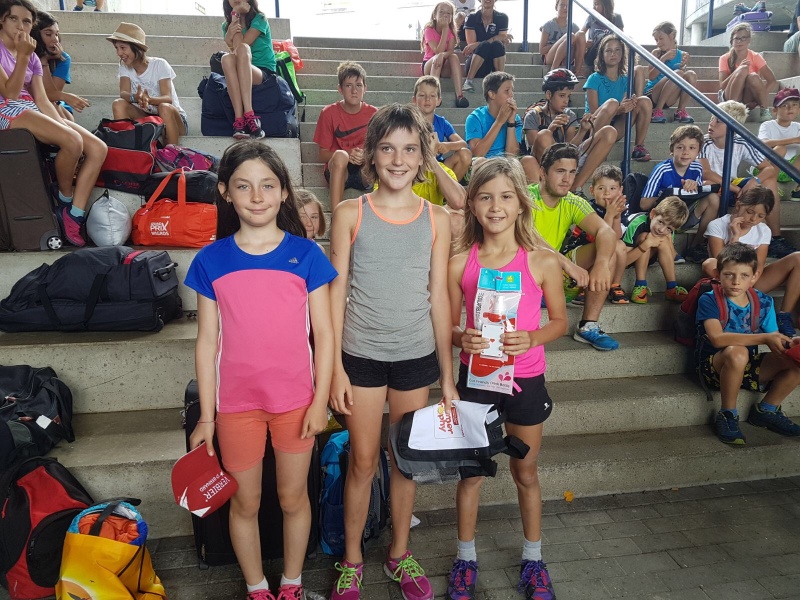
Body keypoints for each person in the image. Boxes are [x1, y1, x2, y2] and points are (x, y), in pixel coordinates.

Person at [186, 141, 336, 600]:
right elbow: (207, 342)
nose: (257, 196)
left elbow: (325, 335)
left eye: (268, 185)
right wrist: (207, 418)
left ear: (284, 192)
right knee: (245, 502)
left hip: (296, 404)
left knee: (293, 498)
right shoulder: (210, 260)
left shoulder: (307, 255)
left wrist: (320, 402)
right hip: (236, 408)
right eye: (244, 186)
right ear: (225, 192)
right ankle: (256, 588)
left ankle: (291, 585)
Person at [328, 104, 457, 600]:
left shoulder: (437, 218)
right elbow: (336, 294)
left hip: (414, 356)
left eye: (408, 149)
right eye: (387, 148)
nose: (398, 160)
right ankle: (352, 560)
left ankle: (399, 554)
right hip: (360, 356)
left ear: (423, 157)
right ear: (370, 155)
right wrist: (334, 368)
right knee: (363, 462)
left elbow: (439, 297)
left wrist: (447, 376)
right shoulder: (350, 213)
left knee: (405, 461)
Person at [446, 158, 567, 600]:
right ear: (472, 205)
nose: (495, 206)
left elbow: (560, 321)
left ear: (521, 203)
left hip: (525, 382)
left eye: (505, 197)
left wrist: (532, 337)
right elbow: (448, 325)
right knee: (471, 474)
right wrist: (462, 337)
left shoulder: (542, 261)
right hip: (476, 381)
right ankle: (465, 558)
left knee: (526, 470)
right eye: (485, 197)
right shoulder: (460, 263)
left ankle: (534, 559)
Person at [0, 0, 107, 248]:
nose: (21, 26)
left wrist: (61, 124)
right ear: (2, 20)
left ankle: (73, 215)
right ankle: (64, 200)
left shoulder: (32, 56)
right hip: (5, 107)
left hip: (30, 107)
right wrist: (23, 56)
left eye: (27, 21)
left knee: (97, 148)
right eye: (14, 19)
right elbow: (10, 94)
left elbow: (42, 100)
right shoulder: (16, 52)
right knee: (72, 141)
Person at [695, 243, 800, 446]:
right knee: (738, 352)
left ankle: (767, 410)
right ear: (717, 274)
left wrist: (790, 344)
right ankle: (727, 414)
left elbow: (773, 338)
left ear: (755, 276)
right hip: (714, 367)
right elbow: (717, 338)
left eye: (744, 276)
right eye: (729, 275)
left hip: (749, 366)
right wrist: (763, 338)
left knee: (796, 359)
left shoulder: (764, 302)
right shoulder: (709, 299)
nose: (736, 281)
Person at [529, 143, 624, 350]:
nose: (567, 179)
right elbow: (528, 237)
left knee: (610, 250)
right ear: (543, 173)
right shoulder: (526, 198)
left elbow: (606, 232)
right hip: (525, 279)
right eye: (560, 171)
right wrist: (567, 264)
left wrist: (601, 264)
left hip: (554, 279)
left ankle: (588, 325)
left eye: (572, 172)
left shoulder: (572, 201)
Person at [698, 99, 793, 259]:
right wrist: (736, 189)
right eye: (712, 118)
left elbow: (768, 168)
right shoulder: (704, 142)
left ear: (732, 126)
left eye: (718, 121)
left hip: (732, 184)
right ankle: (702, 242)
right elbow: (706, 172)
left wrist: (754, 181)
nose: (712, 123)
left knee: (768, 182)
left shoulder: (740, 142)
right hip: (714, 186)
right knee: (710, 183)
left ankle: (776, 238)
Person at [702, 187, 800, 337]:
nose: (753, 219)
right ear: (738, 205)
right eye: (750, 212)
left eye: (761, 216)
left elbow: (759, 265)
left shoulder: (763, 230)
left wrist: (749, 283)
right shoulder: (717, 225)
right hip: (728, 280)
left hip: (752, 280)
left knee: (798, 258)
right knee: (709, 263)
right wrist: (735, 237)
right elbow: (722, 264)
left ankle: (783, 316)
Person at [523, 68, 615, 197]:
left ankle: (575, 188)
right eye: (561, 96)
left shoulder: (569, 115)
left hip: (568, 161)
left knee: (609, 132)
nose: (566, 101)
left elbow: (570, 150)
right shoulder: (533, 115)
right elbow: (534, 148)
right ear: (548, 95)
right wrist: (550, 129)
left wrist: (582, 130)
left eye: (568, 96)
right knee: (544, 135)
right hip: (543, 164)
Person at [639, 124, 718, 261]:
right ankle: (671, 252)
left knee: (714, 198)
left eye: (692, 148)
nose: (686, 152)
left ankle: (695, 246)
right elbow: (644, 204)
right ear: (672, 149)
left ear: (698, 152)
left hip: (684, 216)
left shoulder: (697, 168)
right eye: (680, 147)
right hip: (664, 219)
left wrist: (696, 186)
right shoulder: (662, 170)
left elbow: (696, 196)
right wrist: (670, 193)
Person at [108, 23, 188, 146]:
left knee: (164, 107)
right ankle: (127, 149)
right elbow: (123, 93)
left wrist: (148, 99)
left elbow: (168, 98)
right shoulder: (124, 67)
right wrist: (135, 97)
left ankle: (172, 153)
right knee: (118, 104)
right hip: (148, 119)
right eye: (116, 48)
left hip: (172, 119)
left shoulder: (159, 64)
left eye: (123, 48)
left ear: (137, 48)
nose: (119, 53)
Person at [561, 164, 630, 304]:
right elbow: (602, 238)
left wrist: (616, 216)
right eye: (601, 188)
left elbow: (615, 236)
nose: (607, 193)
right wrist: (609, 215)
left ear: (620, 190)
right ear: (592, 190)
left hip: (599, 255)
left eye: (612, 188)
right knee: (607, 248)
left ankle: (615, 285)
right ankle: (585, 287)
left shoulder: (617, 209)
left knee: (620, 245)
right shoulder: (589, 209)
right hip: (581, 253)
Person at [313, 61, 377, 212]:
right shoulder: (328, 113)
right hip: (338, 171)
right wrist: (348, 154)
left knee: (380, 155)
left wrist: (366, 156)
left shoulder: (374, 114)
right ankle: (336, 215)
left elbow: (382, 149)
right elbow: (322, 155)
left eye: (359, 85)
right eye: (348, 85)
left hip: (364, 171)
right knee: (341, 155)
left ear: (365, 88)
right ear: (340, 89)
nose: (354, 91)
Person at [584, 34, 653, 162]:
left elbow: (625, 106)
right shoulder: (594, 78)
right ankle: (593, 148)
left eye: (617, 50)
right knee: (613, 103)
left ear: (622, 54)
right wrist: (619, 109)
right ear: (602, 55)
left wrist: (631, 103)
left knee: (644, 101)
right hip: (595, 128)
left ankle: (639, 148)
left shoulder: (625, 79)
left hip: (617, 125)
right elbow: (593, 114)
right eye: (608, 51)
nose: (613, 54)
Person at [465, 71, 540, 183]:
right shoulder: (475, 117)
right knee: (480, 162)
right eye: (507, 91)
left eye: (512, 91)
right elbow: (478, 153)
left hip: (507, 162)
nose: (511, 95)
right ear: (492, 94)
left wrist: (511, 122)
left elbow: (512, 155)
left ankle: (535, 194)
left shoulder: (516, 118)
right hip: (485, 162)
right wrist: (499, 122)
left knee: (529, 161)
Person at [221, 0, 277, 139]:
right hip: (241, 69)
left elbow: (240, 47)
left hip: (263, 71)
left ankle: (250, 115)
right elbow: (234, 54)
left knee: (243, 48)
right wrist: (234, 19)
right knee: (226, 59)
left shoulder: (260, 18)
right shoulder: (226, 26)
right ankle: (239, 121)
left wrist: (236, 14)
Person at [621, 196, 690, 304]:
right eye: (660, 222)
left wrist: (667, 241)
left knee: (663, 239)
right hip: (628, 257)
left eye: (669, 228)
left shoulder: (667, 232)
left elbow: (672, 257)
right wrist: (646, 244)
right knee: (645, 236)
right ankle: (640, 285)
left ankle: (671, 287)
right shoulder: (637, 223)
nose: (661, 229)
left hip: (647, 257)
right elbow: (622, 262)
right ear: (653, 214)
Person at [633, 21, 697, 124]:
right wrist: (663, 59)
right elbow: (651, 76)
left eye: (661, 38)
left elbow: (682, 82)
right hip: (653, 94)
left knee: (691, 75)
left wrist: (682, 66)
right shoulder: (656, 53)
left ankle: (680, 111)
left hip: (669, 97)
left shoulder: (682, 55)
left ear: (672, 35)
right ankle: (657, 111)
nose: (658, 42)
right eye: (656, 40)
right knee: (678, 73)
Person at [31, 12, 89, 122]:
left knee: (67, 117)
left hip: (54, 103)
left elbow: (52, 95)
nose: (55, 40)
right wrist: (43, 60)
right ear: (35, 35)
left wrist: (45, 61)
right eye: (48, 34)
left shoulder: (63, 59)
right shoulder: (25, 55)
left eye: (57, 34)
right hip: (32, 102)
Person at [412, 75, 472, 182]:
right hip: (416, 167)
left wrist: (447, 146)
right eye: (422, 95)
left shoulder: (442, 123)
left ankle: (448, 191)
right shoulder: (408, 122)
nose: (427, 99)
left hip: (438, 167)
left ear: (439, 101)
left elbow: (463, 144)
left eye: (432, 95)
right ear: (414, 100)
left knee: (465, 154)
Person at [718, 22, 778, 122]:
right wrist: (737, 70)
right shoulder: (724, 58)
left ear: (749, 40)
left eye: (743, 38)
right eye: (737, 38)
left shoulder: (755, 56)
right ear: (732, 41)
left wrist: (758, 99)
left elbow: (772, 81)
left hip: (747, 97)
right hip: (729, 97)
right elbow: (723, 86)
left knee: (753, 76)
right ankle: (733, 111)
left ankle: (764, 110)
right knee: (743, 69)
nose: (739, 41)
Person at [422, 2, 469, 108]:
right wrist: (444, 30)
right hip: (429, 65)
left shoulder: (451, 33)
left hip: (444, 65)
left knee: (454, 56)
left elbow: (450, 51)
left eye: (448, 13)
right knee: (436, 57)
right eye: (441, 12)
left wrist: (442, 55)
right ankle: (434, 95)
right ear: (435, 15)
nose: (445, 15)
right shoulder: (429, 30)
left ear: (452, 17)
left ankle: (460, 96)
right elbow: (437, 50)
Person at [758, 87, 800, 200]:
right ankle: (771, 185)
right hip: (766, 167)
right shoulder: (767, 125)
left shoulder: (798, 127)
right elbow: (763, 144)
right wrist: (794, 140)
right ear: (775, 110)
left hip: (789, 170)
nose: (790, 108)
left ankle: (798, 190)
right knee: (780, 149)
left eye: (795, 105)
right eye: (785, 105)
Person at [461, 0, 511, 94]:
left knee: (497, 45)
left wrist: (493, 40)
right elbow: (472, 46)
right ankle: (468, 81)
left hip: (491, 63)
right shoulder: (471, 17)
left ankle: (500, 81)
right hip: (475, 62)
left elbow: (502, 40)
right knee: (485, 45)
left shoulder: (502, 17)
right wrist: (494, 38)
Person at [578, 0, 623, 76]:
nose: (593, 7)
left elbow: (621, 38)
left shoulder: (616, 17)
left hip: (610, 53)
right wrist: (585, 44)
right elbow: (579, 35)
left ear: (605, 4)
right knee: (604, 37)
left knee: (610, 39)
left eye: (596, 4)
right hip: (593, 54)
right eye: (593, 4)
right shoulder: (591, 18)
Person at [540, 0, 584, 71]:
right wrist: (560, 44)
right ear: (556, 7)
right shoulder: (548, 25)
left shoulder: (574, 27)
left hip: (568, 57)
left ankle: (578, 71)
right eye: (562, 5)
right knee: (570, 36)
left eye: (567, 6)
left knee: (581, 34)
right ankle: (553, 69)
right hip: (551, 57)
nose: (565, 8)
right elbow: (541, 50)